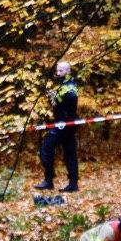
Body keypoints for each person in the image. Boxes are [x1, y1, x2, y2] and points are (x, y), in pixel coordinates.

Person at [36, 60, 79, 193]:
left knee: (46, 148)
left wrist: (59, 98)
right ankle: (73, 184)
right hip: (65, 123)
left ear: (67, 71)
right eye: (57, 70)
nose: (58, 73)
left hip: (64, 124)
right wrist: (54, 97)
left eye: (61, 70)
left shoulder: (70, 85)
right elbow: (59, 103)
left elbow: (71, 97)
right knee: (69, 153)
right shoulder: (63, 84)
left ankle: (49, 180)